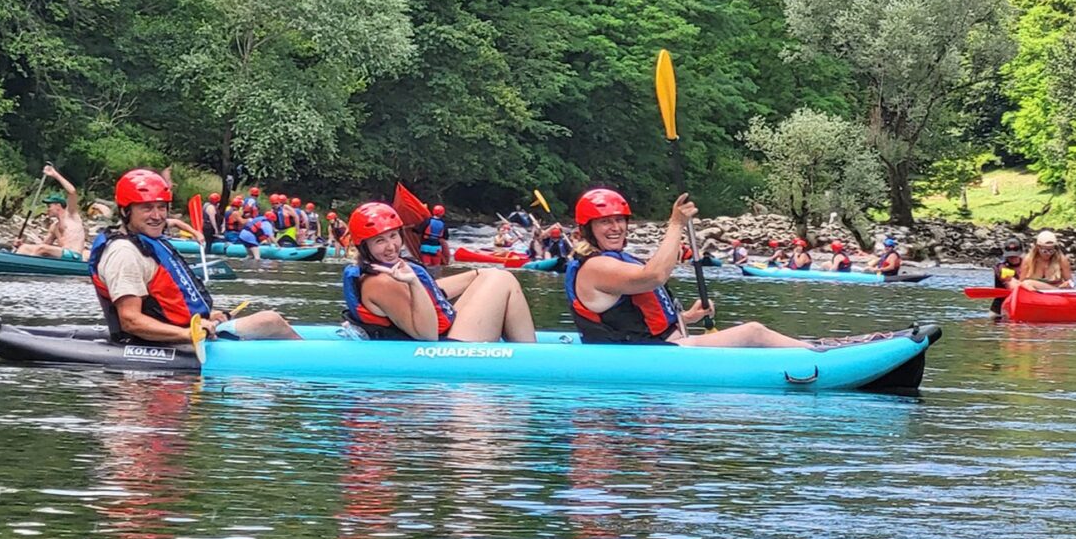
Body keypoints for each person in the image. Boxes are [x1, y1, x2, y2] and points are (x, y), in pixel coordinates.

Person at [565, 188, 814, 347]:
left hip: (652, 348)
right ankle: (817, 354)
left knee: (752, 333)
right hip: (642, 356)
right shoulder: (596, 267)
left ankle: (811, 349)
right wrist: (676, 224)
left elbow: (629, 322)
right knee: (753, 332)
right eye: (605, 222)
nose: (616, 227)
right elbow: (654, 276)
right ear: (588, 229)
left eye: (619, 220)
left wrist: (686, 318)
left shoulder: (611, 261)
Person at [88, 169, 300, 343]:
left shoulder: (149, 242)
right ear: (126, 211)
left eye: (161, 207)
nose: (157, 215)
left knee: (273, 320)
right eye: (146, 208)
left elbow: (165, 305)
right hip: (166, 342)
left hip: (189, 331)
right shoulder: (125, 253)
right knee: (270, 320)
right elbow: (130, 321)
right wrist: (188, 334)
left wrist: (208, 316)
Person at [342, 202, 536, 342]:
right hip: (446, 351)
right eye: (379, 241)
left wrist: (477, 274)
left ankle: (526, 352)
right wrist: (414, 282)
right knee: (502, 280)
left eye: (393, 236)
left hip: (447, 336)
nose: (391, 246)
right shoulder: (380, 283)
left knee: (493, 275)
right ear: (364, 246)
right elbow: (428, 335)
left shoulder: (385, 268)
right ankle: (531, 360)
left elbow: (434, 292)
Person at [16, 165, 89, 261]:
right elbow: (43, 245)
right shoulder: (54, 227)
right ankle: (16, 260)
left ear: (58, 206)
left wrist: (54, 174)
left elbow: (72, 191)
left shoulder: (72, 216)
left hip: (74, 256)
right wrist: (21, 245)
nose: (47, 209)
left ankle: (25, 263)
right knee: (25, 248)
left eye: (49, 206)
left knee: (42, 249)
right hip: (62, 255)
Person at [991, 237, 1025, 315]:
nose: (1013, 258)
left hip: (1022, 302)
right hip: (1000, 308)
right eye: (1010, 256)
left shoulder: (1027, 264)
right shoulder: (1002, 268)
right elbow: (1012, 285)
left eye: (1015, 256)